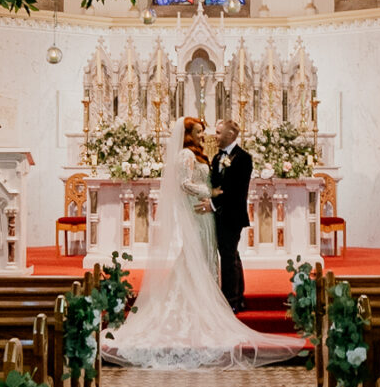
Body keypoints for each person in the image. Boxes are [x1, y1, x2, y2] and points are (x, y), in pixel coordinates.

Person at [105, 115, 301, 368]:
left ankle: (228, 300)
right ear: (187, 134)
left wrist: (213, 199)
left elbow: (230, 188)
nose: (207, 136)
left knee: (222, 256)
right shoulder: (193, 156)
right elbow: (187, 183)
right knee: (203, 256)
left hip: (218, 215)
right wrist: (209, 194)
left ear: (231, 135)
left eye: (214, 132)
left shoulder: (235, 157)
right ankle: (216, 302)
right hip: (202, 215)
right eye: (200, 131)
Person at [207, 116, 253, 310]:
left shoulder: (243, 158)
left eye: (218, 133)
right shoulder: (218, 157)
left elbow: (236, 190)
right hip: (220, 214)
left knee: (228, 256)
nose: (215, 136)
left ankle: (230, 301)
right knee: (230, 254)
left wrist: (213, 204)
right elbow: (215, 183)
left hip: (232, 214)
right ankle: (237, 296)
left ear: (231, 134)